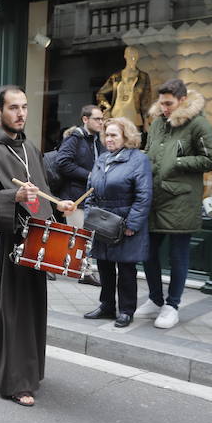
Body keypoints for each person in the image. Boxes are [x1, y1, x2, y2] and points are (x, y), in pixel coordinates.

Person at [0, 85, 75, 407]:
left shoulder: (30, 149)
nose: (21, 113)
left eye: (24, 107)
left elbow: (44, 194)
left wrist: (59, 207)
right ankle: (15, 379)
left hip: (34, 239)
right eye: (13, 108)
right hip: (2, 239)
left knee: (30, 307)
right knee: (8, 310)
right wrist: (14, 197)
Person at [136, 79, 212, 329]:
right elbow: (151, 151)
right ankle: (155, 298)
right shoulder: (157, 123)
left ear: (182, 100)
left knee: (177, 255)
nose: (164, 108)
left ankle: (172, 305)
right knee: (148, 253)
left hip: (182, 199)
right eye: (161, 103)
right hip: (155, 196)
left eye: (169, 103)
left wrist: (179, 162)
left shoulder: (198, 124)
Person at [82, 118, 153, 327]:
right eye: (106, 135)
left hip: (124, 221)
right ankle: (106, 306)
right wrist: (89, 216)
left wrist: (132, 224)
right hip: (101, 221)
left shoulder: (138, 159)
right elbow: (90, 191)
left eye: (114, 135)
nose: (108, 139)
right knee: (104, 266)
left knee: (126, 269)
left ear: (126, 137)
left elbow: (144, 196)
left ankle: (126, 310)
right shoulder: (102, 159)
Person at [55, 105, 105, 228]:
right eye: (97, 119)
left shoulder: (99, 140)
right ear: (85, 119)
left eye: (102, 119)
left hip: (92, 200)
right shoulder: (75, 138)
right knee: (77, 241)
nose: (101, 122)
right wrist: (89, 175)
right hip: (75, 199)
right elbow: (62, 162)